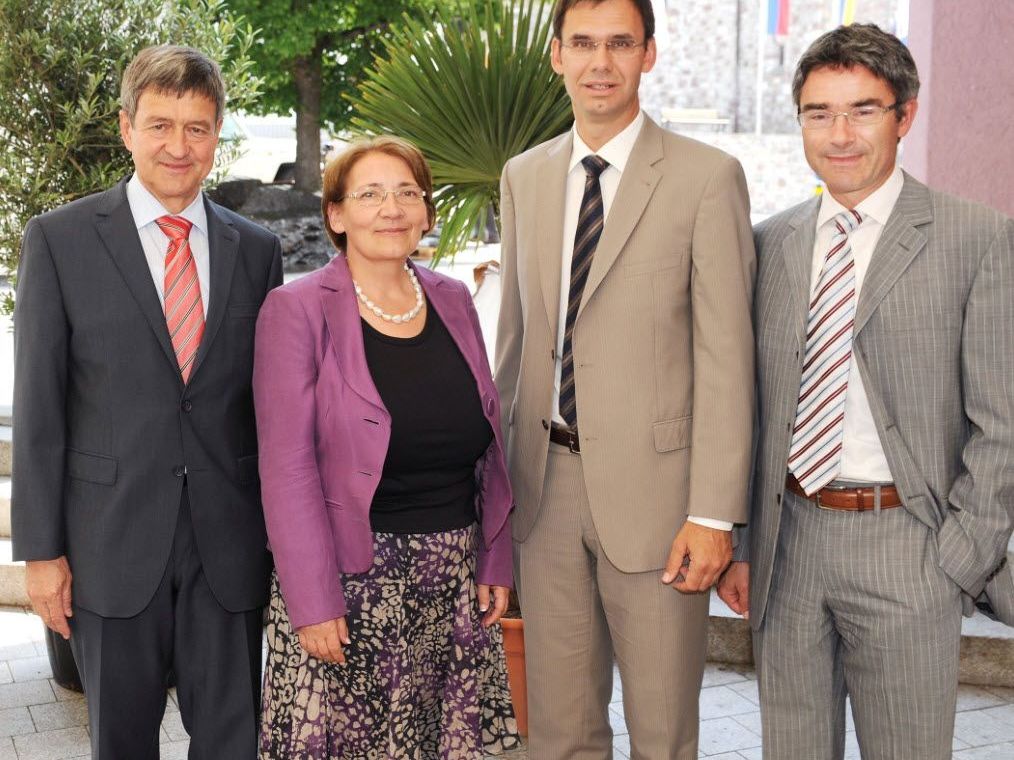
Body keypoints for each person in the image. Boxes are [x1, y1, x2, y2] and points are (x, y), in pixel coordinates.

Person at [717, 23, 1014, 760]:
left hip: (909, 547)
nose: (839, 134)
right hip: (789, 545)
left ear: (904, 114)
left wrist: (958, 559)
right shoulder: (768, 243)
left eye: (863, 110)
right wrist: (748, 542)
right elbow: (751, 412)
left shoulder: (976, 237)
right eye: (819, 113)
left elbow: (1002, 422)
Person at [495, 0, 756, 756]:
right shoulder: (525, 176)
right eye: (582, 43)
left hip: (662, 505)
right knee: (558, 732)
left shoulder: (708, 178)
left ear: (649, 53)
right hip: (543, 494)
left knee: (662, 731)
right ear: (556, 56)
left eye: (619, 43)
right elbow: (514, 346)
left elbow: (726, 359)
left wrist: (713, 514)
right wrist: (500, 497)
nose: (599, 62)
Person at [12, 45, 282, 758]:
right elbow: (37, 409)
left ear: (217, 135)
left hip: (226, 549)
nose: (178, 146)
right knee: (122, 744)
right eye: (160, 125)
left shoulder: (257, 251)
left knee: (232, 743)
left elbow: (266, 405)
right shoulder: (59, 241)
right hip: (109, 544)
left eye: (196, 128)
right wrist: (40, 554)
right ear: (127, 126)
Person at [253, 136, 520, 759]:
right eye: (369, 194)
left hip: (450, 583)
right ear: (337, 215)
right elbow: (286, 469)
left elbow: (489, 446)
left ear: (427, 211)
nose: (391, 208)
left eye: (407, 193)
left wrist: (494, 559)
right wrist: (312, 601)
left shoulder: (454, 300)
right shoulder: (294, 310)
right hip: (349, 586)